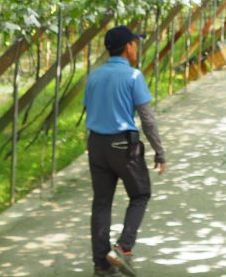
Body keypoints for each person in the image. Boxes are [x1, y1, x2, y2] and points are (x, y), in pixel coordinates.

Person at [84, 25, 166, 275]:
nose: (137, 48)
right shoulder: (133, 76)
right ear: (127, 46)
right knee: (140, 194)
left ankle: (101, 263)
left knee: (101, 203)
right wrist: (159, 151)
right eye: (135, 43)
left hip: (96, 145)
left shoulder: (94, 76)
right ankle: (123, 248)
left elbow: (89, 108)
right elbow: (147, 119)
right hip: (123, 146)